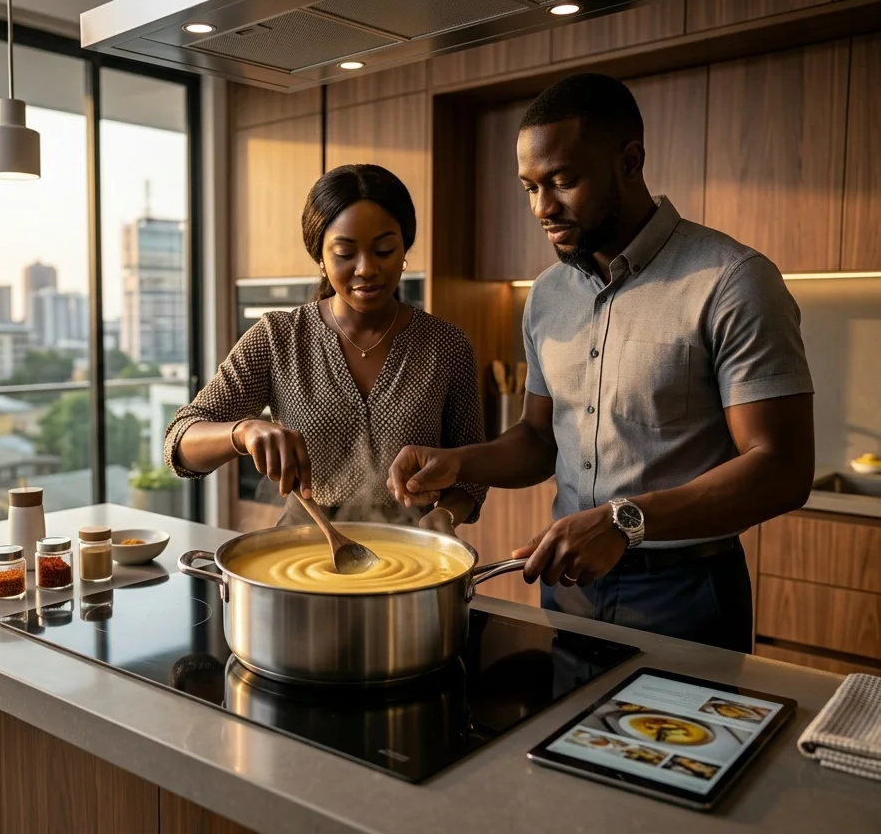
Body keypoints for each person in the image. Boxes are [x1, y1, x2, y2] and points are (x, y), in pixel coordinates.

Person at [386, 73, 814, 653]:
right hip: (568, 589)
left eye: (562, 181)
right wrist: (457, 462)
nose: (543, 207)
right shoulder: (547, 296)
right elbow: (540, 439)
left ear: (630, 161)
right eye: (529, 187)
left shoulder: (733, 281)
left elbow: (782, 469)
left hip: (685, 592)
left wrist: (621, 520)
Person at [165, 164, 487, 533]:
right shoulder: (278, 338)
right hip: (302, 545)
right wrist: (244, 432)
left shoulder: (445, 345)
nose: (366, 269)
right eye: (345, 253)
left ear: (404, 249)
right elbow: (179, 442)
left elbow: (471, 471)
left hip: (415, 545)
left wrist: (443, 517)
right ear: (320, 257)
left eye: (383, 249)